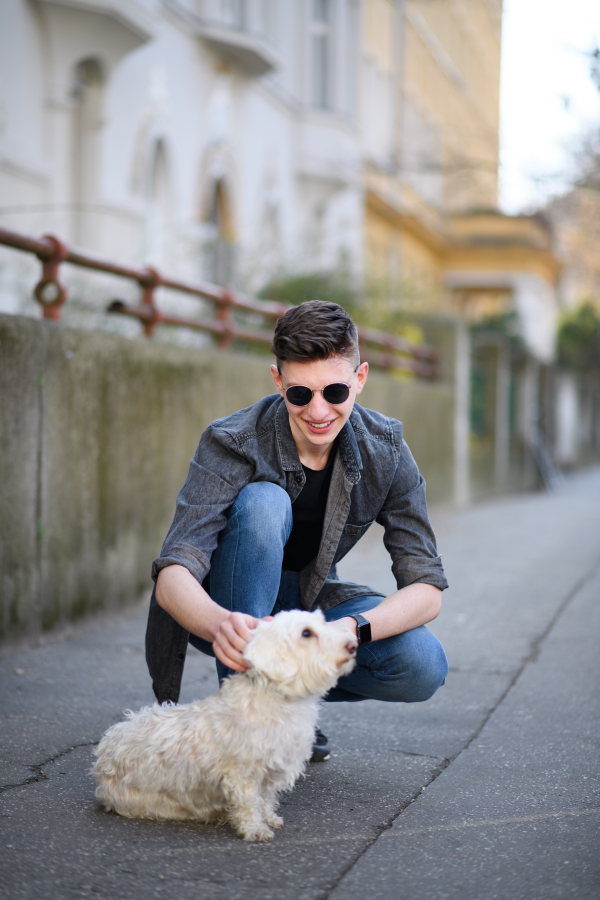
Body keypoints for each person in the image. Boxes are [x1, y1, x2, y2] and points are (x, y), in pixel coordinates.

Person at [146, 300, 448, 760]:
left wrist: (351, 629)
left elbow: (426, 587)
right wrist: (219, 622)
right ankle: (246, 722)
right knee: (266, 501)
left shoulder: (385, 448)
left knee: (422, 666)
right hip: (227, 606)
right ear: (278, 381)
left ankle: (286, 703)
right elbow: (173, 574)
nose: (319, 411)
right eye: (301, 394)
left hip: (309, 603)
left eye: (336, 392)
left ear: (360, 379)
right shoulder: (233, 440)